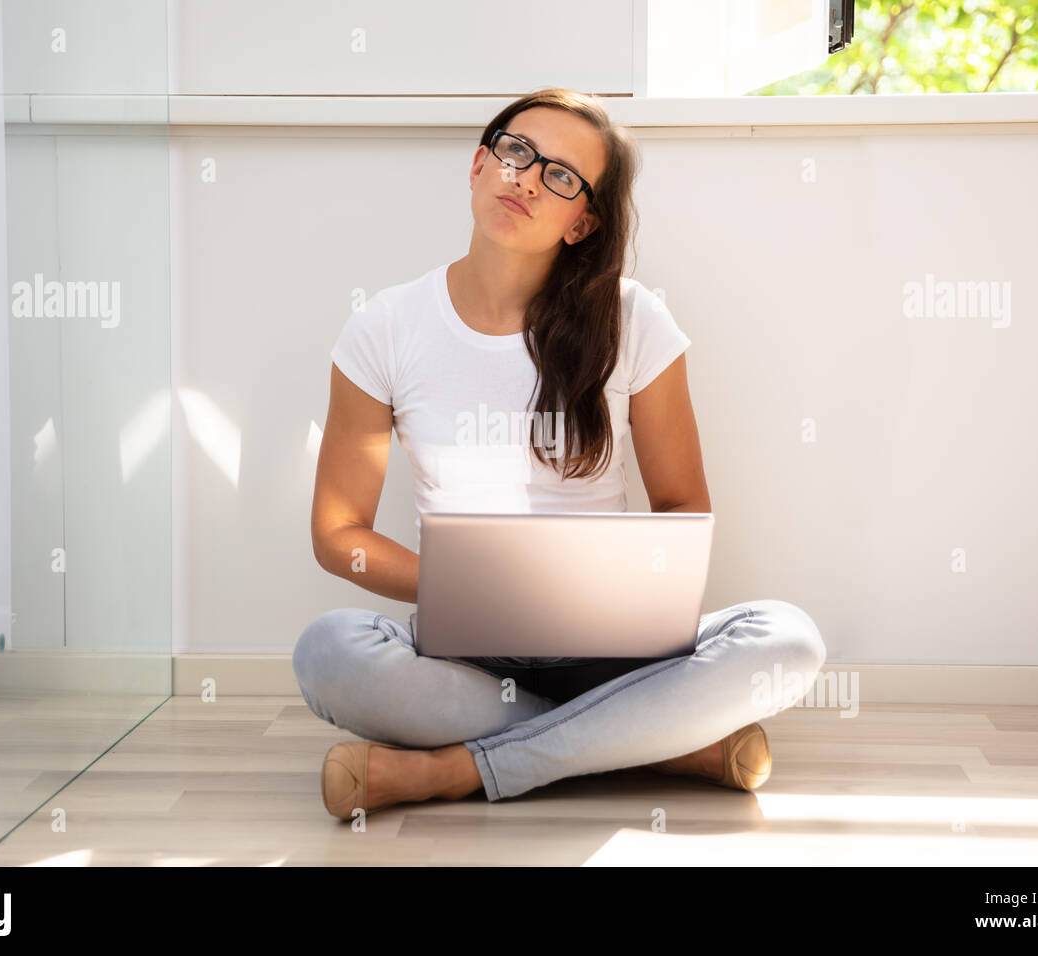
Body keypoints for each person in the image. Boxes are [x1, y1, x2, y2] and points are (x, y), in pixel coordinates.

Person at [294, 88, 827, 820]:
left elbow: (682, 507)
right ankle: (656, 743)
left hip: (608, 642)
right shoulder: (383, 328)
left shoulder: (635, 319)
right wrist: (467, 588)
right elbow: (338, 534)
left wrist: (618, 593)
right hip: (466, 648)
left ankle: (454, 773)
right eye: (516, 152)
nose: (526, 177)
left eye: (561, 176)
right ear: (480, 163)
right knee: (328, 652)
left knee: (789, 641)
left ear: (582, 223)